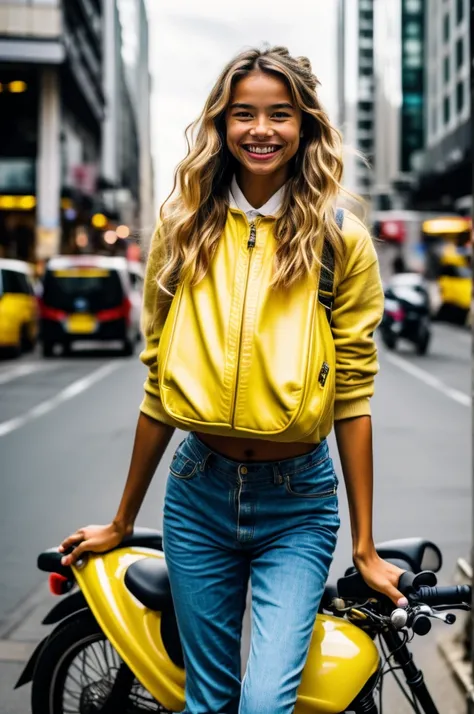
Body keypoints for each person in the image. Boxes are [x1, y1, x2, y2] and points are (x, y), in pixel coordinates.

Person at [59, 46, 408, 714]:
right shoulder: (182, 228)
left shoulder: (341, 242)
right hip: (198, 496)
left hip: (298, 505)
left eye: (280, 114)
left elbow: (355, 395)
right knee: (207, 701)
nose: (260, 129)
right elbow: (160, 383)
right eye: (242, 113)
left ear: (304, 126)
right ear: (220, 124)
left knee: (267, 702)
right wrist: (121, 520)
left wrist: (364, 547)